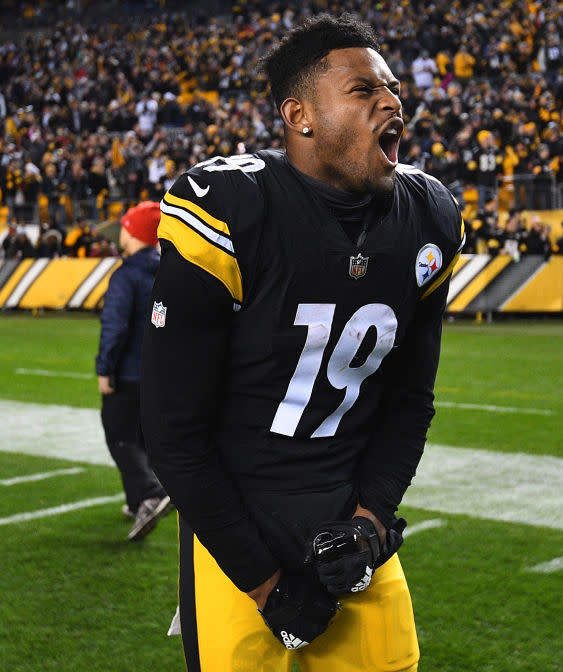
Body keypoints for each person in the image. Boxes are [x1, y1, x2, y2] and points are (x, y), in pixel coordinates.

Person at [139, 14, 463, 671]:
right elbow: (173, 432)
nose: (392, 100)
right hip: (238, 535)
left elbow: (409, 401)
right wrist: (264, 582)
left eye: (393, 87)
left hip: (350, 535)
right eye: (364, 90)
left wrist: (369, 526)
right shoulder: (230, 207)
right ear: (300, 116)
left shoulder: (428, 217)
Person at [95, 201, 170, 541]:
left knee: (120, 436)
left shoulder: (126, 274)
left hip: (127, 372)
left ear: (132, 231)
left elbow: (115, 327)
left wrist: (104, 369)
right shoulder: (170, 270)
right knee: (140, 438)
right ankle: (135, 501)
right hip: (158, 374)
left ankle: (148, 494)